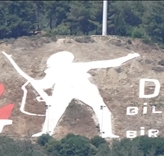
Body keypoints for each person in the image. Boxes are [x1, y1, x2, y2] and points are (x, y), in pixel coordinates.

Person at [7, 50, 139, 138]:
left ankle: (46, 132)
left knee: (100, 109)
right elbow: (111, 63)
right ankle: (106, 133)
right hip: (66, 88)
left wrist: (34, 82)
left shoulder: (59, 70)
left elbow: (44, 85)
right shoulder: (62, 69)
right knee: (55, 111)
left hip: (82, 87)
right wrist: (128, 57)